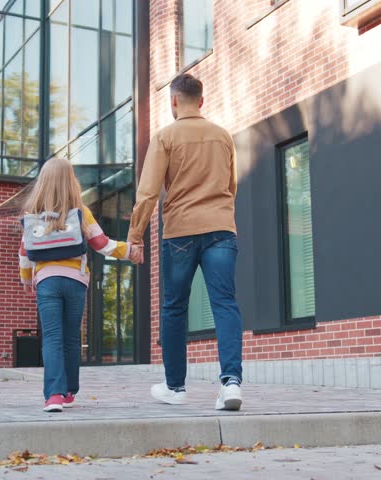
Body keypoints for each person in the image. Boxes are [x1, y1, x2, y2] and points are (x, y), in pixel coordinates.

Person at [128, 73, 244, 411]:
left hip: (179, 232)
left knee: (175, 307)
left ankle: (175, 387)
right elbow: (231, 184)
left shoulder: (165, 137)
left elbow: (148, 192)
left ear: (174, 102)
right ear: (202, 101)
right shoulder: (222, 136)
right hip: (221, 228)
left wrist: (135, 236)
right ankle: (231, 383)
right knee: (225, 303)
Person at [18, 157, 137, 412]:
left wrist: (27, 280)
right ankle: (69, 391)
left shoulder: (33, 215)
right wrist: (129, 251)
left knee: (51, 338)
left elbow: (24, 253)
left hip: (47, 281)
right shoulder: (81, 212)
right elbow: (102, 244)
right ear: (71, 181)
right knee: (71, 338)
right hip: (75, 282)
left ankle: (54, 396)